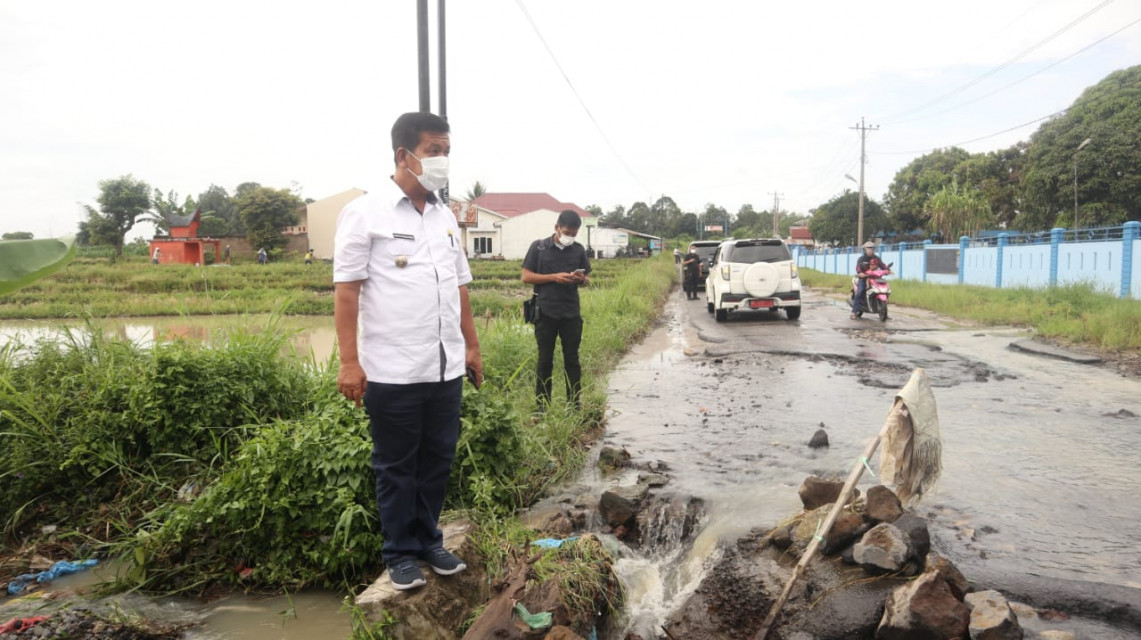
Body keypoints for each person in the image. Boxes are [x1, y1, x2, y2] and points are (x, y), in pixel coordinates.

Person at [333, 111, 481, 591]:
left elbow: (459, 286)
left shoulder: (443, 215)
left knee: (438, 458)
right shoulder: (366, 212)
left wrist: (472, 347)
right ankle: (398, 552)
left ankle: (428, 540)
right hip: (393, 371)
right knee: (396, 466)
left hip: (444, 368)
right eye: (434, 151)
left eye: (446, 152)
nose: (442, 161)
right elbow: (347, 292)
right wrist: (350, 362)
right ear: (405, 155)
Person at [522, 210, 591, 411]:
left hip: (571, 313)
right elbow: (526, 276)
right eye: (567, 232)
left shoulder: (578, 250)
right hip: (545, 313)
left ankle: (574, 405)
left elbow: (587, 279)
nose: (570, 237)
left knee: (572, 360)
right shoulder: (539, 247)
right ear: (557, 228)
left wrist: (582, 279)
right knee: (545, 360)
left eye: (574, 233)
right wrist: (553, 277)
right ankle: (542, 407)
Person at [851, 241, 887, 319]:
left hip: (875, 278)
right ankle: (854, 312)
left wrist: (888, 270)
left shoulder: (876, 258)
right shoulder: (861, 259)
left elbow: (882, 265)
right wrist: (860, 273)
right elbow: (858, 267)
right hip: (863, 278)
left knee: (883, 290)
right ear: (865, 249)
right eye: (868, 248)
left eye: (872, 248)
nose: (870, 250)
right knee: (860, 292)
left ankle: (883, 312)